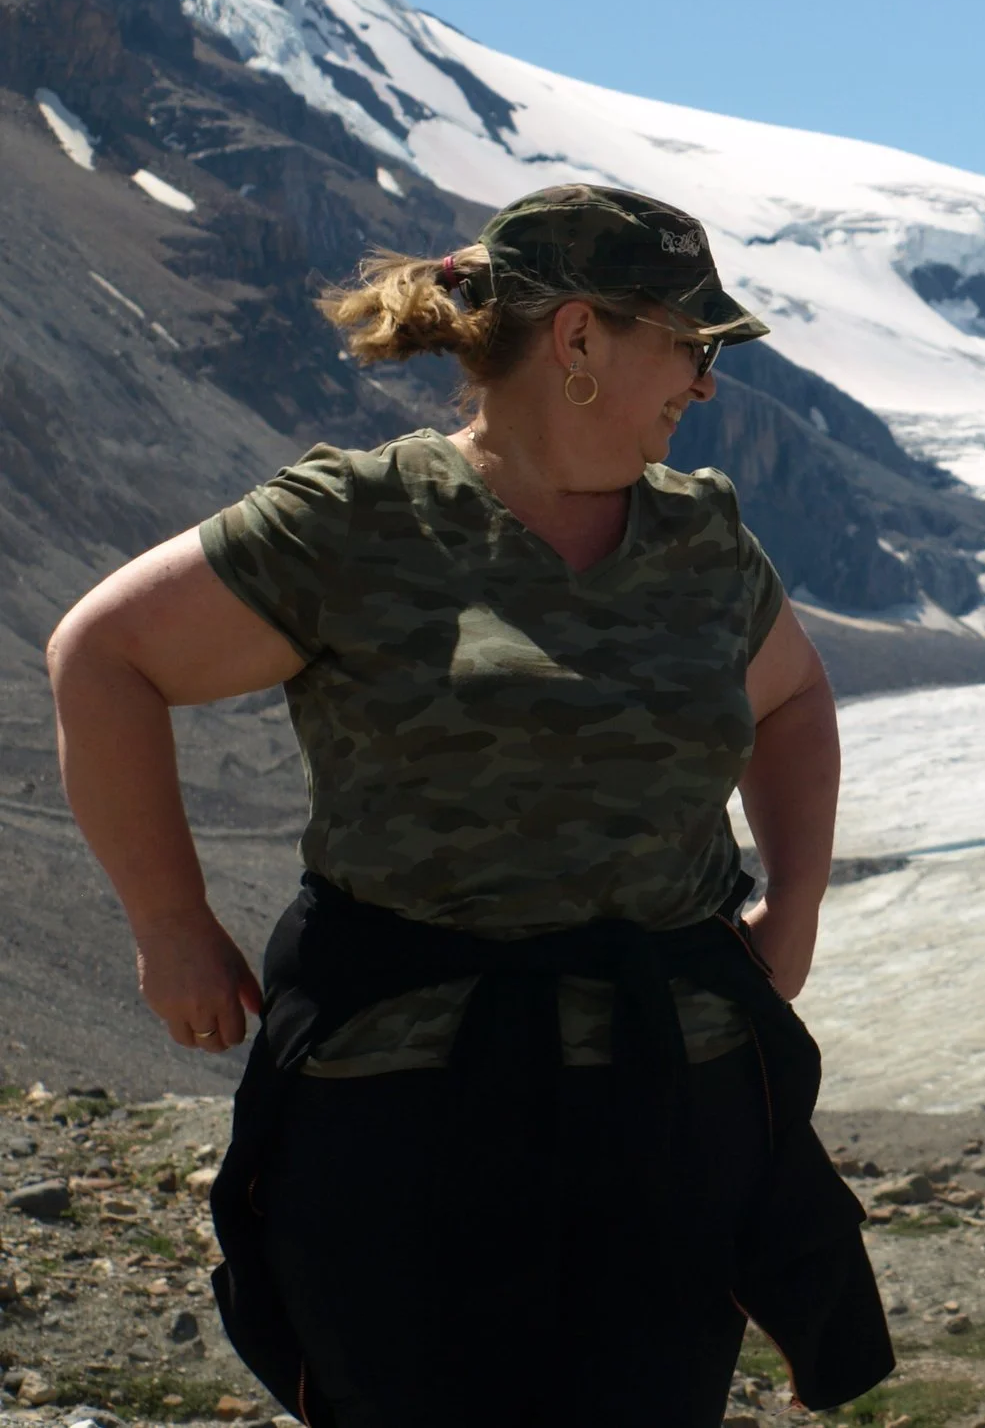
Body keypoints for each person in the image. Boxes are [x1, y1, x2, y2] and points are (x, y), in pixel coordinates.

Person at [46, 185, 891, 1427]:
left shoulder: (701, 538)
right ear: (581, 338)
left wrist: (798, 899)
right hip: (410, 1097)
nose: (705, 384)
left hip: (670, 1097)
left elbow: (792, 700)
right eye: (690, 344)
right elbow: (102, 656)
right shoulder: (355, 521)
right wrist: (170, 923)